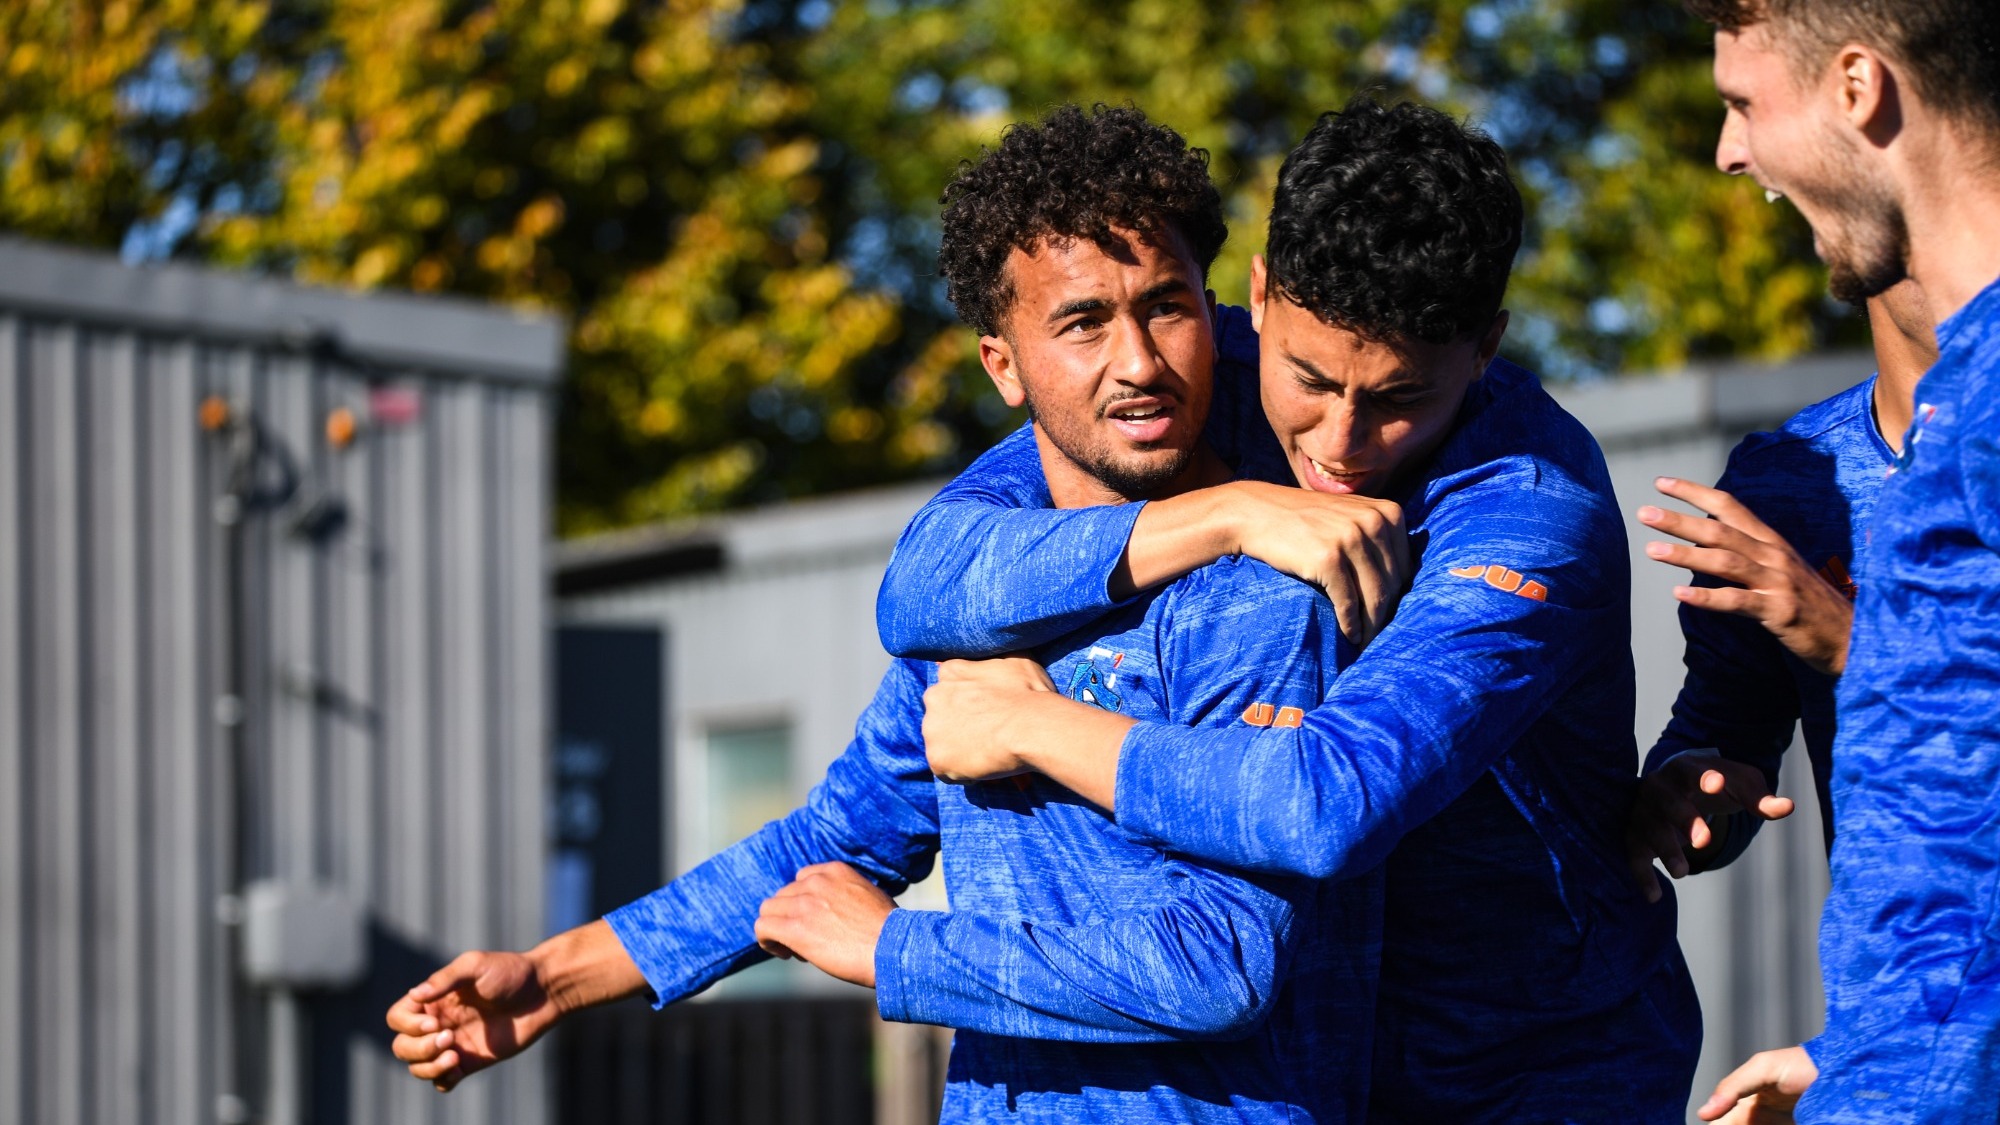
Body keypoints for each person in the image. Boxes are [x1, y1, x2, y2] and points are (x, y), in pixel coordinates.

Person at [387, 104, 1387, 1123]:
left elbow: (1218, 962)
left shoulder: (1261, 594)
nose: (1137, 361)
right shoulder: (979, 597)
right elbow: (832, 845)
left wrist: (894, 948)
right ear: (1003, 365)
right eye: (1082, 322)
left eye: (1165, 306)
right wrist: (555, 978)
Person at [910, 97, 1700, 1123]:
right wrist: (1226, 513)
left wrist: (1032, 726)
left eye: (1400, 398)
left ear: (1485, 345)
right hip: (1333, 1068)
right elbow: (925, 575)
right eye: (1310, 381)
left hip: (1540, 1068)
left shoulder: (1529, 512)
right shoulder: (1192, 359)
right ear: (1258, 298)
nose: (1340, 442)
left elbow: (1322, 807)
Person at [1679, 1, 2000, 1121]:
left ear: (1855, 88)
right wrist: (1862, 1057)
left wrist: (1838, 633)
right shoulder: (1819, 456)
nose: (1727, 151)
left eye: (1740, 103)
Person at [1625, 280, 1935, 898]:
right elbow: (1729, 738)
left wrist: (1853, 643)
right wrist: (1681, 797)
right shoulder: (1786, 482)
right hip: (1887, 981)